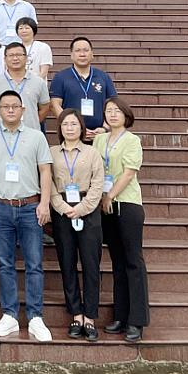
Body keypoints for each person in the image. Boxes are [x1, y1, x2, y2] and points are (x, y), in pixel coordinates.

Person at [0, 90, 53, 342]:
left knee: (34, 264)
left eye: (15, 106)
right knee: (5, 263)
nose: (10, 110)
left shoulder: (36, 136)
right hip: (0, 207)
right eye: (5, 106)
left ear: (23, 110)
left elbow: (45, 171)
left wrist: (44, 203)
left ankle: (35, 317)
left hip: (30, 207)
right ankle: (9, 314)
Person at [94, 97, 148, 343]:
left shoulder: (132, 140)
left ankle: (136, 321)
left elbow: (128, 173)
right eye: (108, 110)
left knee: (133, 262)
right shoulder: (100, 139)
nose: (113, 114)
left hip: (126, 204)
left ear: (126, 115)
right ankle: (121, 316)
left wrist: (110, 196)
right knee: (117, 263)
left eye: (117, 111)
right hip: (105, 207)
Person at [49, 108, 105, 342]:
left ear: (81, 127)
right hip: (61, 210)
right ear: (60, 129)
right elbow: (48, 183)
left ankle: (90, 316)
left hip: (88, 210)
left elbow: (97, 184)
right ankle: (76, 314)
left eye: (73, 124)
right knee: (67, 262)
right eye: (65, 124)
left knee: (91, 263)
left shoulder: (92, 153)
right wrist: (62, 207)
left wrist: (81, 209)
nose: (69, 128)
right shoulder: (52, 152)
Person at [50, 37, 118, 139]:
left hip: (100, 135)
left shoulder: (103, 77)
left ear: (92, 54)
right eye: (78, 50)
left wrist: (105, 128)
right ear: (71, 55)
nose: (82, 54)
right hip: (71, 134)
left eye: (86, 50)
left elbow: (113, 104)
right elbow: (54, 105)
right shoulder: (60, 77)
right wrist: (71, 126)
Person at [0, 42, 51, 131]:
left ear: (26, 58)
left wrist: (32, 122)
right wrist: (2, 123)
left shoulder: (39, 82)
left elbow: (44, 107)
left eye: (19, 55)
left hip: (31, 133)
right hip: (4, 133)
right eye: (11, 55)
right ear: (5, 59)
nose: (15, 58)